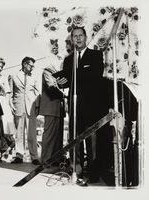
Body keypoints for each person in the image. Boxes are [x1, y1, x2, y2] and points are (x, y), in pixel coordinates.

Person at [57, 27, 108, 184]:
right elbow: (65, 82)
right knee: (75, 138)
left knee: (91, 140)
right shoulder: (68, 60)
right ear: (71, 40)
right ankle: (76, 170)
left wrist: (74, 75)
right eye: (75, 36)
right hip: (74, 105)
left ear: (86, 37)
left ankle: (93, 172)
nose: (78, 39)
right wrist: (60, 82)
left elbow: (96, 76)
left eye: (80, 36)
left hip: (92, 106)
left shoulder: (96, 55)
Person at [8, 56, 40, 165]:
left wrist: (37, 106)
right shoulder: (13, 76)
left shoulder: (34, 76)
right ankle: (19, 155)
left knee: (32, 134)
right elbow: (11, 94)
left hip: (31, 107)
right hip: (19, 107)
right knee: (19, 133)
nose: (32, 68)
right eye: (31, 65)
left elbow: (38, 92)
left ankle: (34, 156)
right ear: (24, 64)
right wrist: (11, 105)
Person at [39, 64, 65, 166]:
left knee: (58, 136)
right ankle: (46, 159)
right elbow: (52, 88)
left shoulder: (60, 72)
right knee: (49, 134)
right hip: (51, 107)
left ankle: (55, 159)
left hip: (59, 108)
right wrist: (64, 95)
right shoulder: (48, 71)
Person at [0, 58, 16, 165]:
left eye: (2, 67)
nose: (0, 69)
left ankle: (4, 152)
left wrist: (7, 106)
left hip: (2, 102)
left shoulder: (4, 78)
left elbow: (7, 92)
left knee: (5, 128)